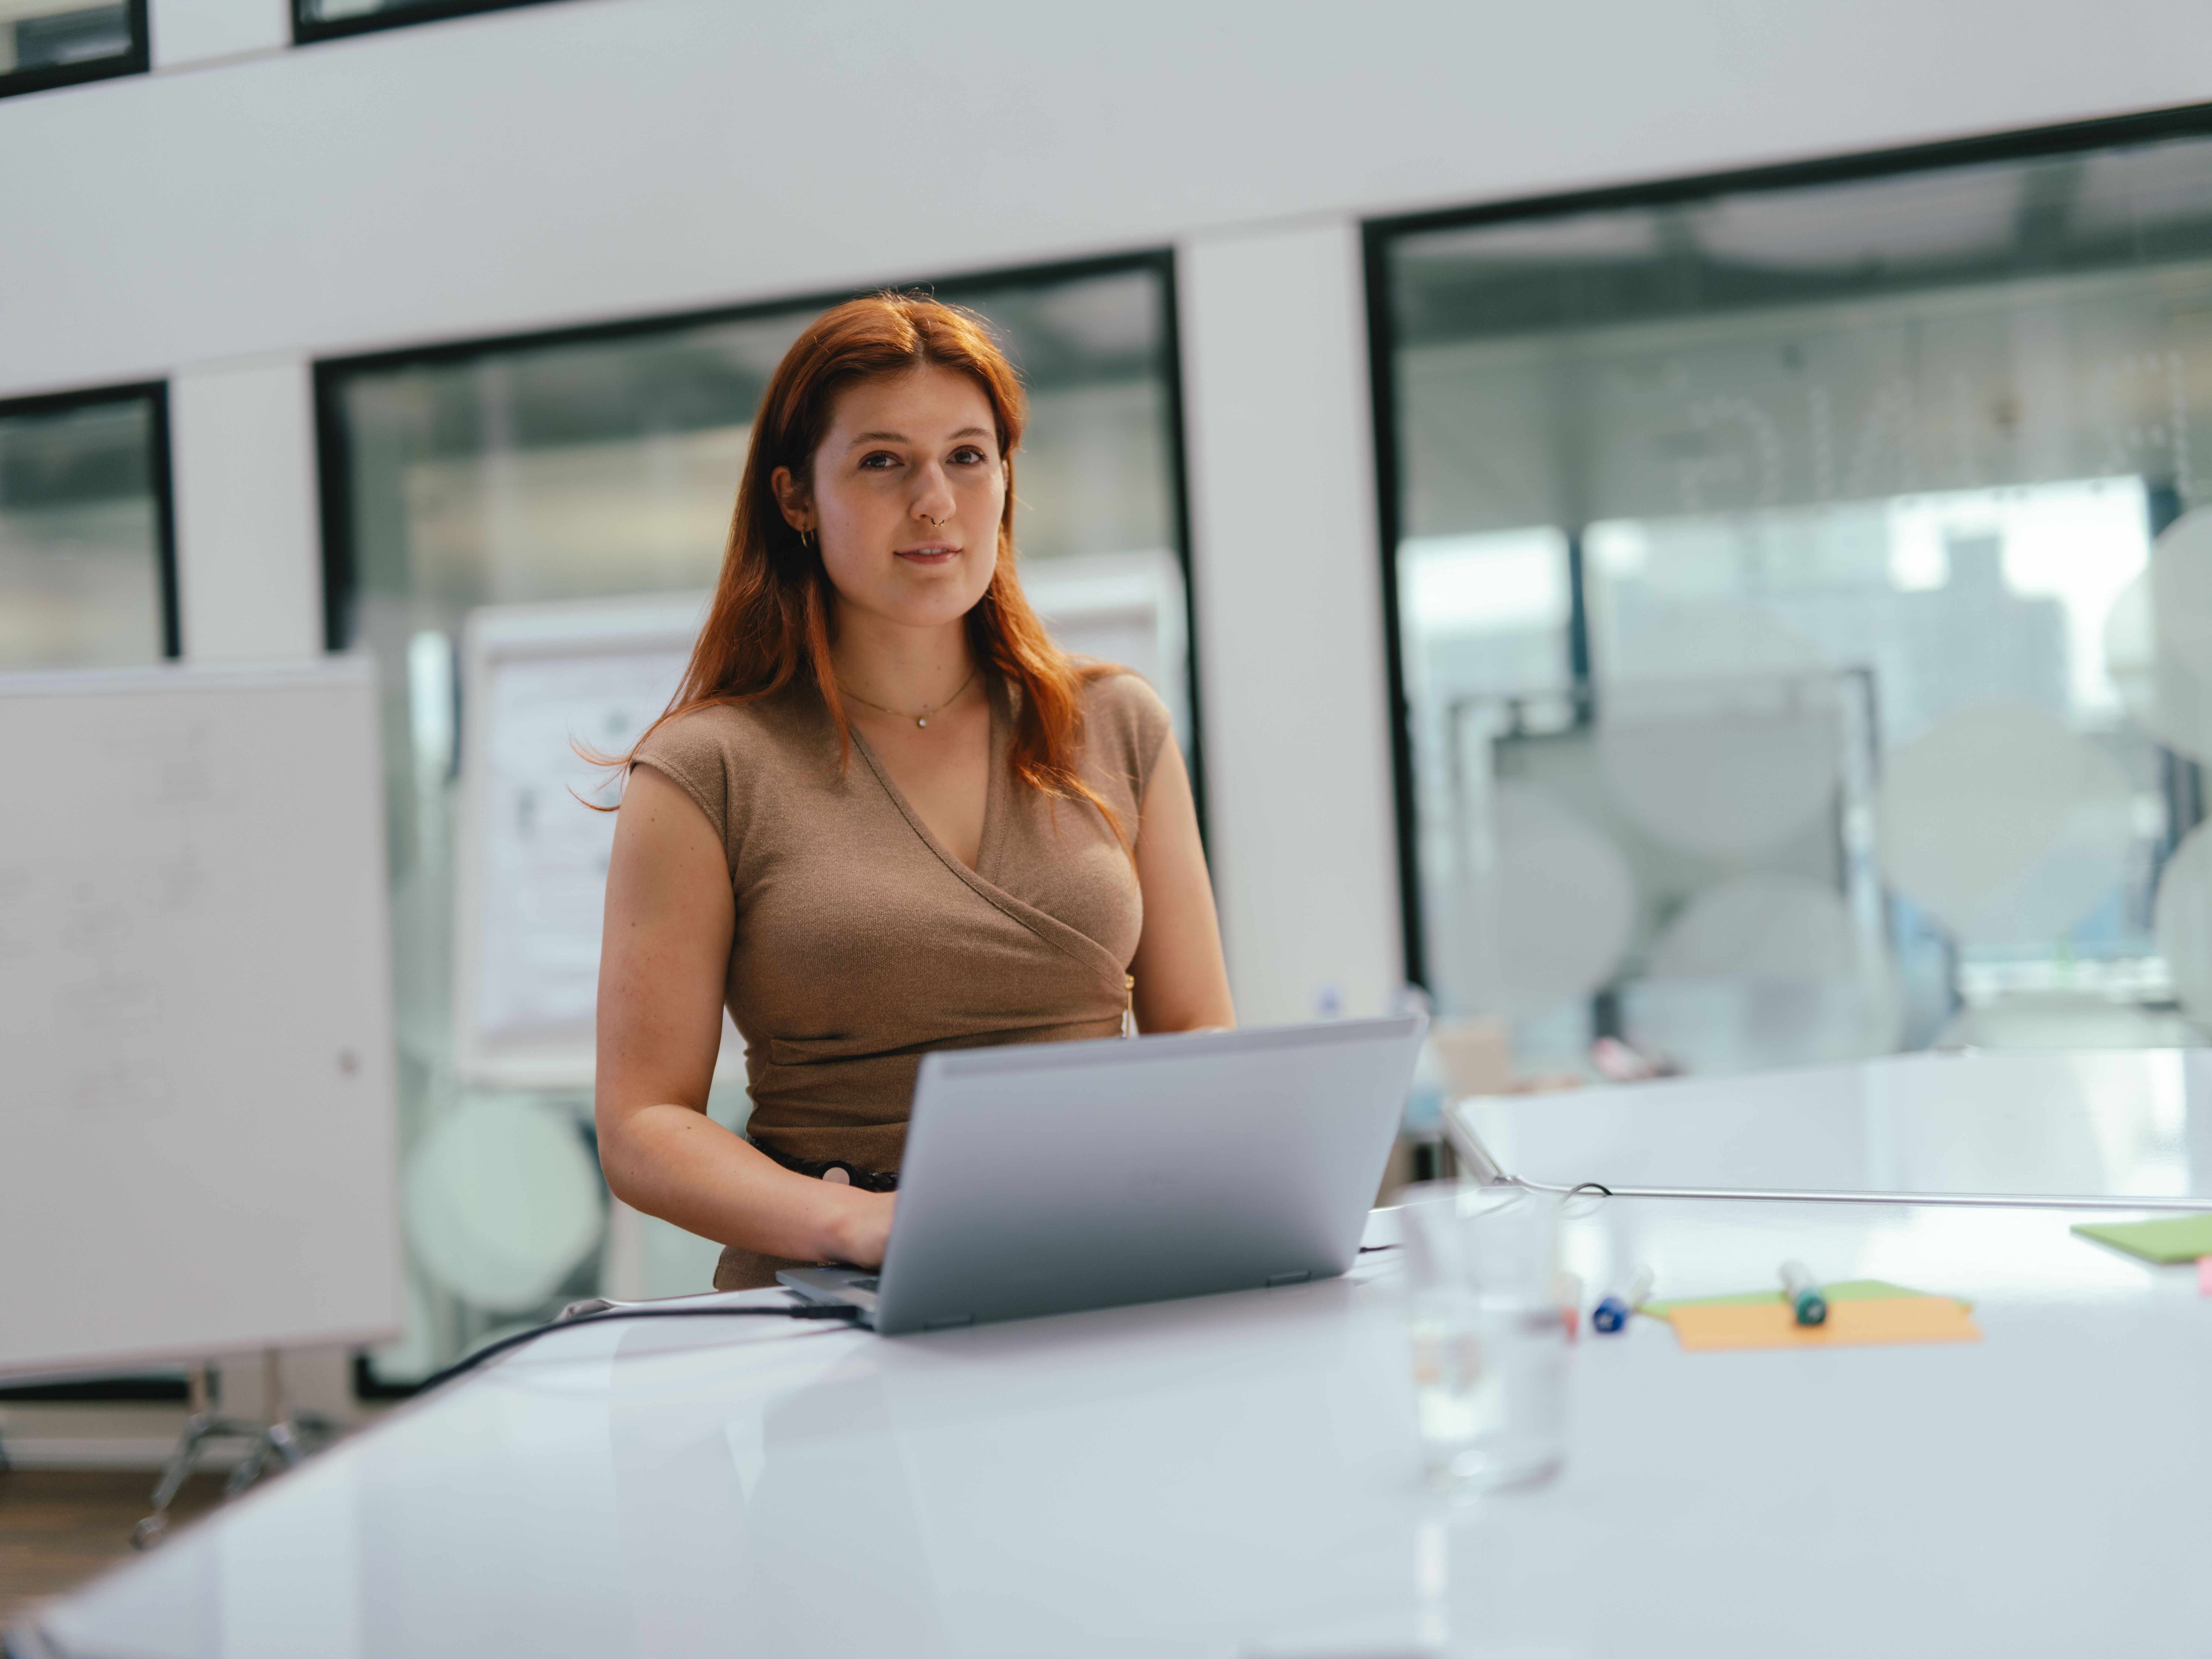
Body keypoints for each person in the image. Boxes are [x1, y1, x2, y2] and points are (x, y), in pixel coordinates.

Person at [594, 294, 1235, 1291]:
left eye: (967, 457)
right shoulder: (706, 767)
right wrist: (858, 1225)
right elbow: (644, 1125)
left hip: (1101, 1266)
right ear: (796, 497)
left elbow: (1197, 1033)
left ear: (1006, 479)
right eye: (883, 461)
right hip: (836, 1294)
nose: (935, 501)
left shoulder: (1116, 722)